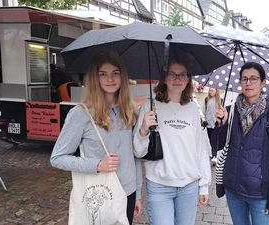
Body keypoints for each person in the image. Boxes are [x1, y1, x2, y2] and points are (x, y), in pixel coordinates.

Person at [50, 51, 142, 224]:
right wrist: (97, 165)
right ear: (94, 78)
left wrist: (137, 193)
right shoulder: (80, 114)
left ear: (122, 76)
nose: (110, 79)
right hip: (101, 194)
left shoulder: (129, 111)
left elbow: (134, 156)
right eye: (103, 74)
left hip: (127, 194)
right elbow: (57, 158)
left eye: (115, 73)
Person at [133, 57, 211, 224]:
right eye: (172, 74)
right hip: (158, 185)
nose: (178, 79)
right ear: (164, 78)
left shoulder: (192, 109)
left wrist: (204, 185)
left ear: (189, 79)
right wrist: (143, 129)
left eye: (183, 75)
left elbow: (201, 148)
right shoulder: (150, 106)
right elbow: (138, 152)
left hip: (189, 185)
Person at [211, 62, 269, 225]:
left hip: (260, 194)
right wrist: (221, 124)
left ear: (263, 82)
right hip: (233, 189)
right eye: (244, 79)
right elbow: (216, 145)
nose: (248, 83)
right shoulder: (230, 111)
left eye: (254, 79)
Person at [202, 87, 223, 165]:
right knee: (210, 139)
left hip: (216, 123)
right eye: (210, 90)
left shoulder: (220, 100)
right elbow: (204, 110)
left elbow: (223, 111)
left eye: (212, 90)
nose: (211, 92)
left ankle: (215, 155)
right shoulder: (206, 99)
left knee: (215, 139)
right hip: (208, 123)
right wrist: (203, 119)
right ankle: (213, 152)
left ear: (216, 91)